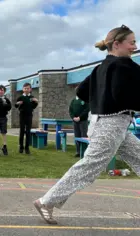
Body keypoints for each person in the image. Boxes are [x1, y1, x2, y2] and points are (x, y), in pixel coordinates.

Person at [34, 24, 140, 224]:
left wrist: (101, 96)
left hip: (109, 123)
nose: (135, 46)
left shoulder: (101, 67)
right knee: (89, 167)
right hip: (112, 124)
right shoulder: (125, 66)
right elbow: (121, 94)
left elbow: (82, 91)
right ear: (117, 44)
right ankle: (46, 201)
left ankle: (47, 201)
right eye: (132, 42)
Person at [15, 83, 38, 154]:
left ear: (30, 89)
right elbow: (16, 106)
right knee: (22, 131)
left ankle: (27, 148)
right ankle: (21, 147)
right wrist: (18, 103)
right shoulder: (20, 97)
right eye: (25, 88)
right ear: (23, 89)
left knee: (28, 132)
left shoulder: (32, 97)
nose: (26, 89)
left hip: (29, 116)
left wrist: (36, 102)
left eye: (28, 88)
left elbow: (33, 106)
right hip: (22, 115)